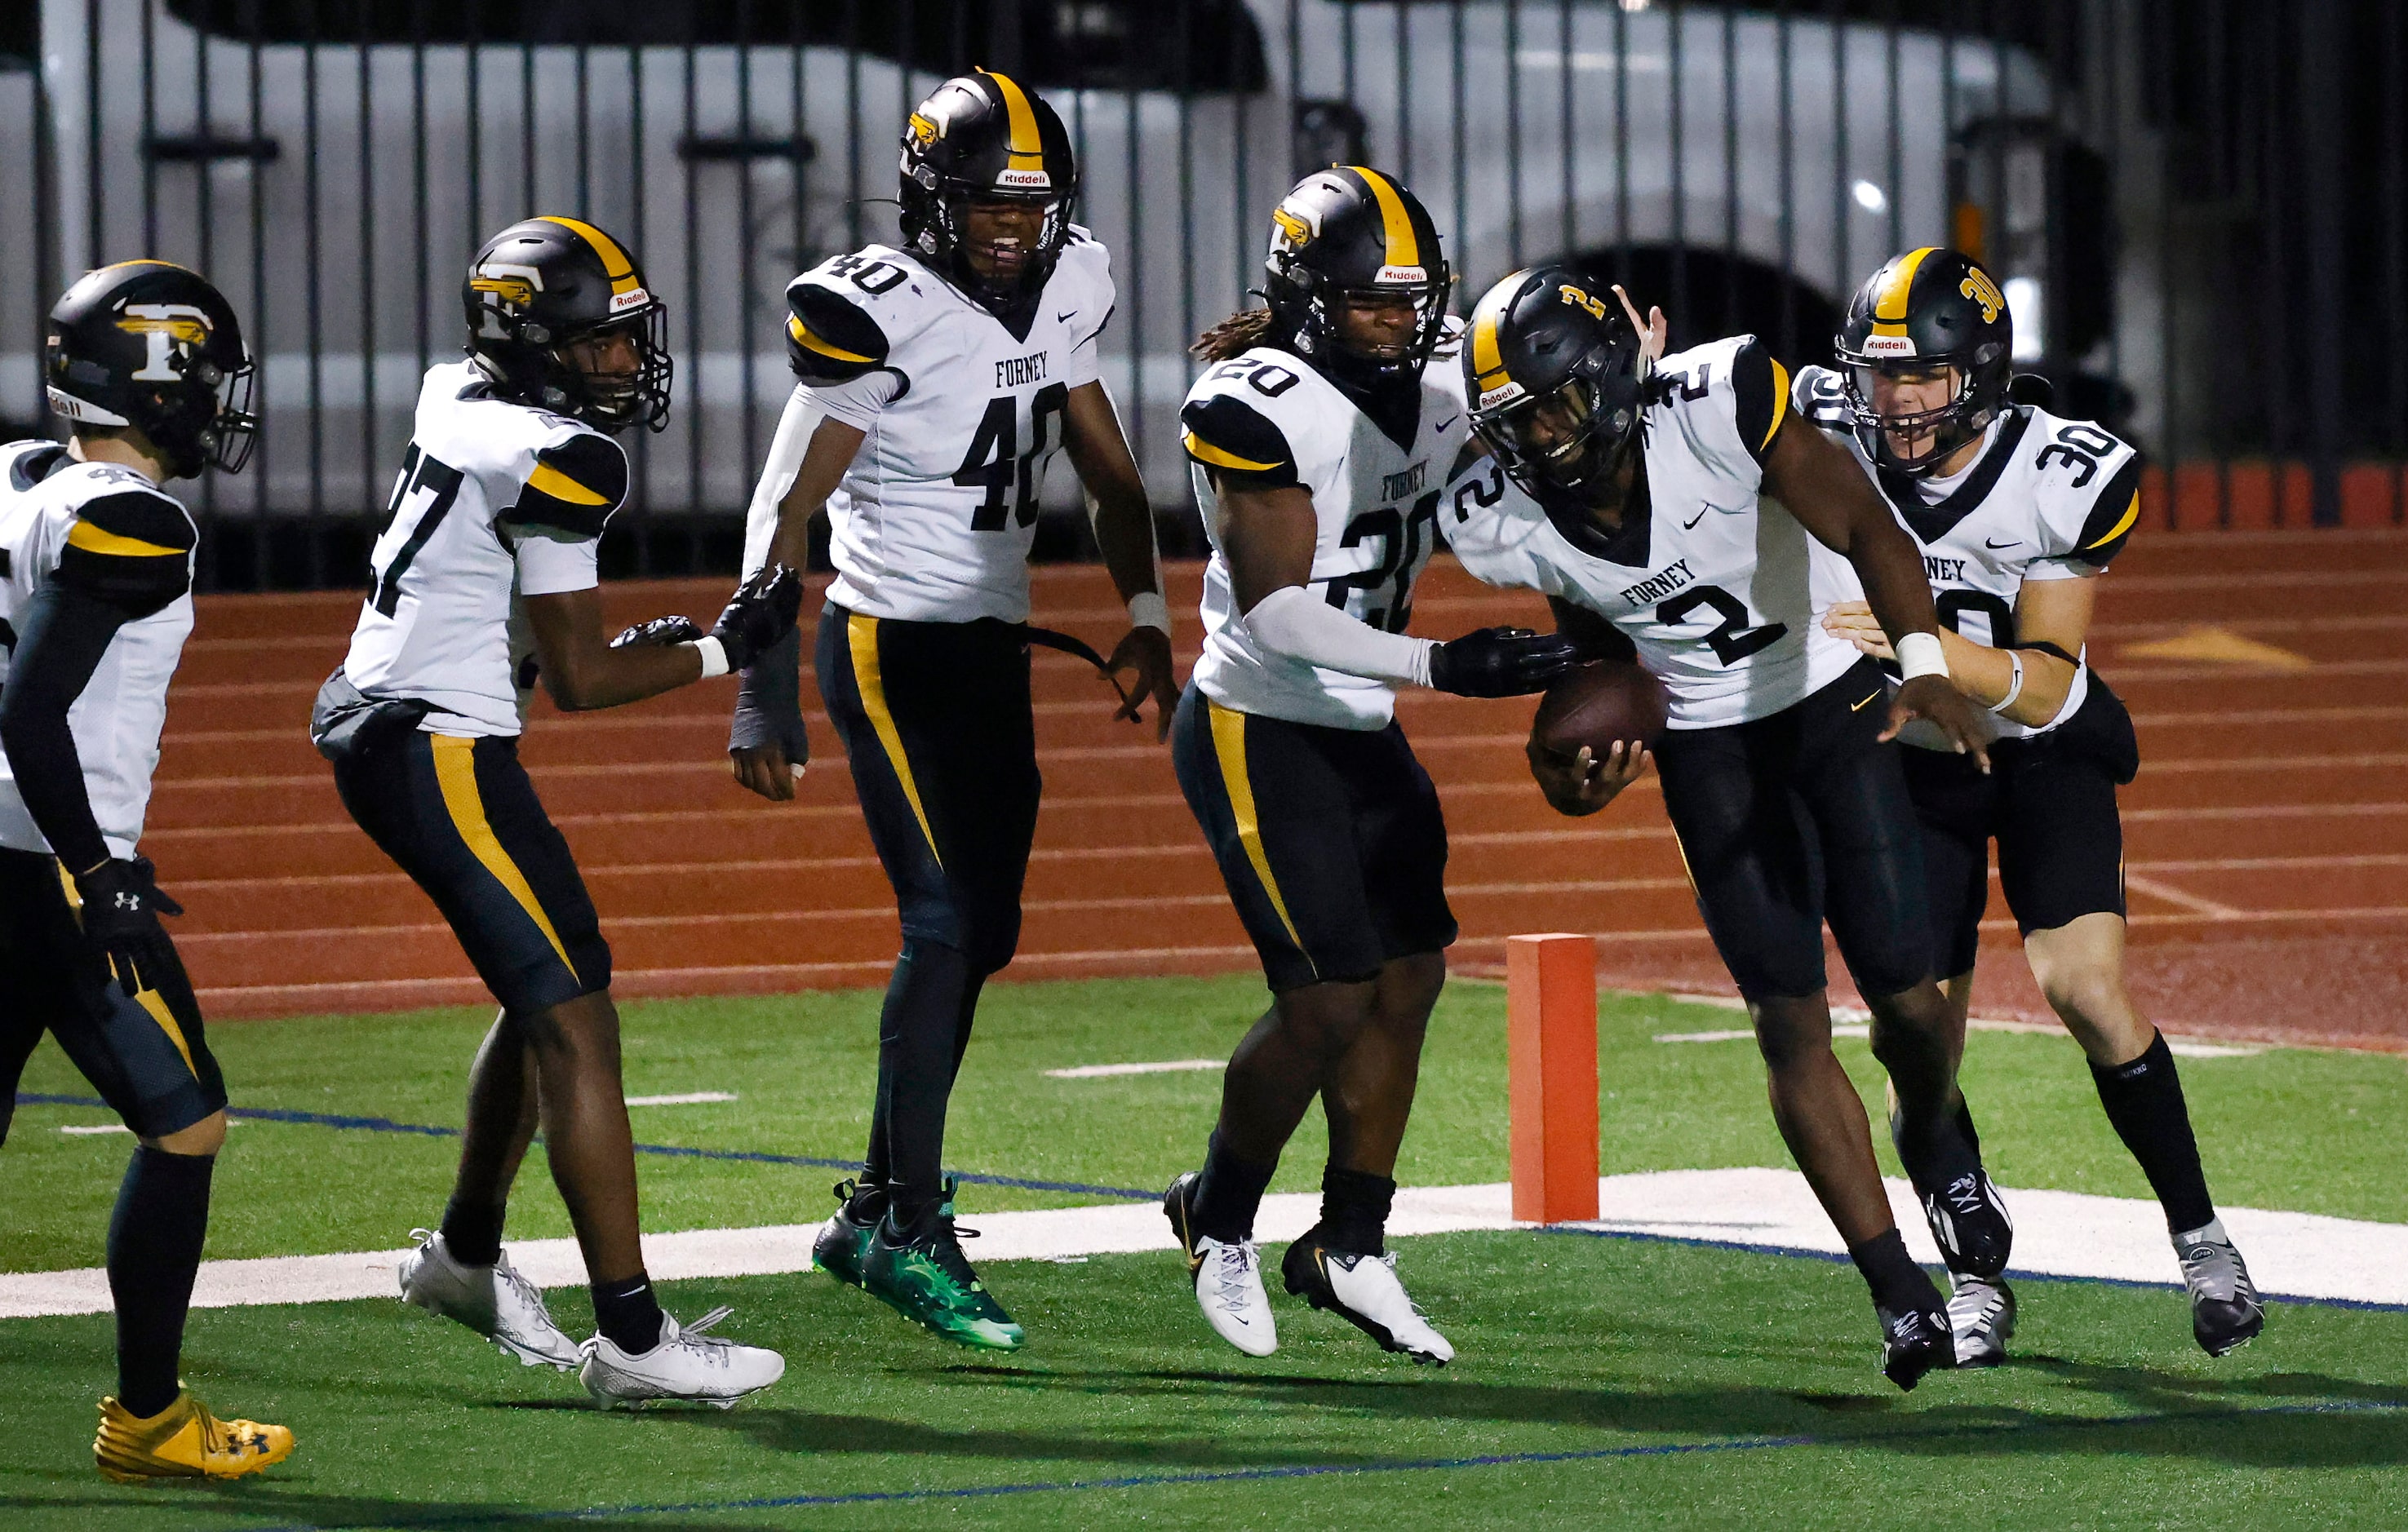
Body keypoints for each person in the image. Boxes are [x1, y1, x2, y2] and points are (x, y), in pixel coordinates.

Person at [1443, 264, 2003, 1390]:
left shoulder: (1718, 397)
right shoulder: (1495, 515)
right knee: (1786, 1019)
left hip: (1831, 698)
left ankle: (1941, 1145)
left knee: (1906, 997)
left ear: (1608, 379)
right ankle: (1897, 1292)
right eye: (1517, 420)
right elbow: (1594, 650)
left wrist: (1930, 663)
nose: (1540, 438)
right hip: (1707, 749)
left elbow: (1861, 523)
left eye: (1555, 405)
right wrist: (1569, 775)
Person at [727, 71, 1177, 1353]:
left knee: (986, 930)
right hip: (886, 643)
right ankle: (907, 1223)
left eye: (1031, 205)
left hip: (988, 643)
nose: (1011, 227)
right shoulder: (880, 310)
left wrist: (1144, 611)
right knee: (945, 919)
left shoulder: (1072, 280)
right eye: (986, 203)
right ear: (932, 196)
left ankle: (872, 1208)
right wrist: (759, 690)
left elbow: (1105, 462)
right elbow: (784, 507)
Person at [326, 216, 793, 1408]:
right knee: (576, 1018)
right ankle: (632, 1337)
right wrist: (723, 647)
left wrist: (614, 647)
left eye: (629, 339)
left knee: (551, 988)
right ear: (535, 343)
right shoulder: (563, 456)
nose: (626, 364)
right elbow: (582, 681)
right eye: (600, 344)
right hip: (430, 744)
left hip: (399, 717)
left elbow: (521, 620)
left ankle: (466, 1257)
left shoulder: (457, 393)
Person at [1804, 246, 2263, 1362]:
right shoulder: (1815, 428)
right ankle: (1973, 1271)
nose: (1897, 400)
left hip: (2038, 745)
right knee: (1913, 1028)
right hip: (1911, 759)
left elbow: (2050, 679)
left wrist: (1923, 644)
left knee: (2085, 987)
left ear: (1982, 370)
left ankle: (2201, 1240)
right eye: (1880, 374)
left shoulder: (2062, 469)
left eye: (1922, 376)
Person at [1160, 168, 1578, 1366]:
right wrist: (1444, 666)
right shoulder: (1253, 403)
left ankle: (1349, 1246)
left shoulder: (1448, 372)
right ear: (1303, 297)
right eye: (1372, 303)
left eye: (1415, 301)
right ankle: (1218, 1215)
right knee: (1327, 994)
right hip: (1261, 716)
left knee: (1407, 980)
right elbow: (1277, 611)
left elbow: (1540, 460)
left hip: (1358, 720)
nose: (1402, 324)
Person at [0, 259, 293, 1478]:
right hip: (49, 867)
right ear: (161, 383)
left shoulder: (20, 475)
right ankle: (148, 1416)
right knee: (186, 1120)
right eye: (207, 373)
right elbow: (33, 711)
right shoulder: (136, 516)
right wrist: (97, 869)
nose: (221, 398)